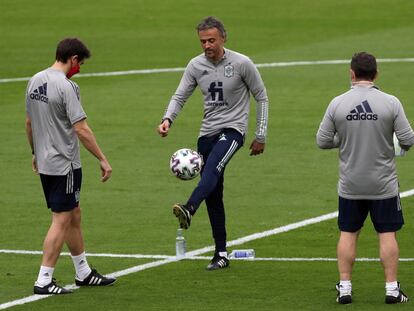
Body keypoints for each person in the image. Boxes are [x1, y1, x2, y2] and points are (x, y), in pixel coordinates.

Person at [157, 16, 269, 270]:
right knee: (214, 193)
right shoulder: (195, 66)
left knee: (211, 169)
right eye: (202, 41)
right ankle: (221, 254)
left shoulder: (242, 63)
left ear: (223, 38)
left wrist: (260, 135)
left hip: (233, 131)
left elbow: (261, 97)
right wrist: (167, 119)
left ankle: (189, 208)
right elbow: (180, 95)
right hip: (206, 133)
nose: (207, 45)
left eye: (211, 40)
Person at [317, 52, 414, 304]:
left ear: (351, 73)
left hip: (350, 184)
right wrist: (390, 143)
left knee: (348, 233)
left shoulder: (337, 103)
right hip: (383, 184)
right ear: (376, 74)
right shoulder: (390, 102)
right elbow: (408, 139)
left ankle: (345, 287)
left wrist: (344, 139)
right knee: (387, 233)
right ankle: (392, 289)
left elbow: (323, 140)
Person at [25, 38, 116, 295]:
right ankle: (44, 279)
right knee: (61, 219)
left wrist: (35, 151)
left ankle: (83, 272)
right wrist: (102, 158)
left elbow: (30, 123)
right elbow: (81, 128)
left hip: (45, 162)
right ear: (73, 59)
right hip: (64, 163)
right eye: (81, 64)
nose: (80, 69)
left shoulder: (34, 81)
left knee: (73, 213)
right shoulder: (67, 87)